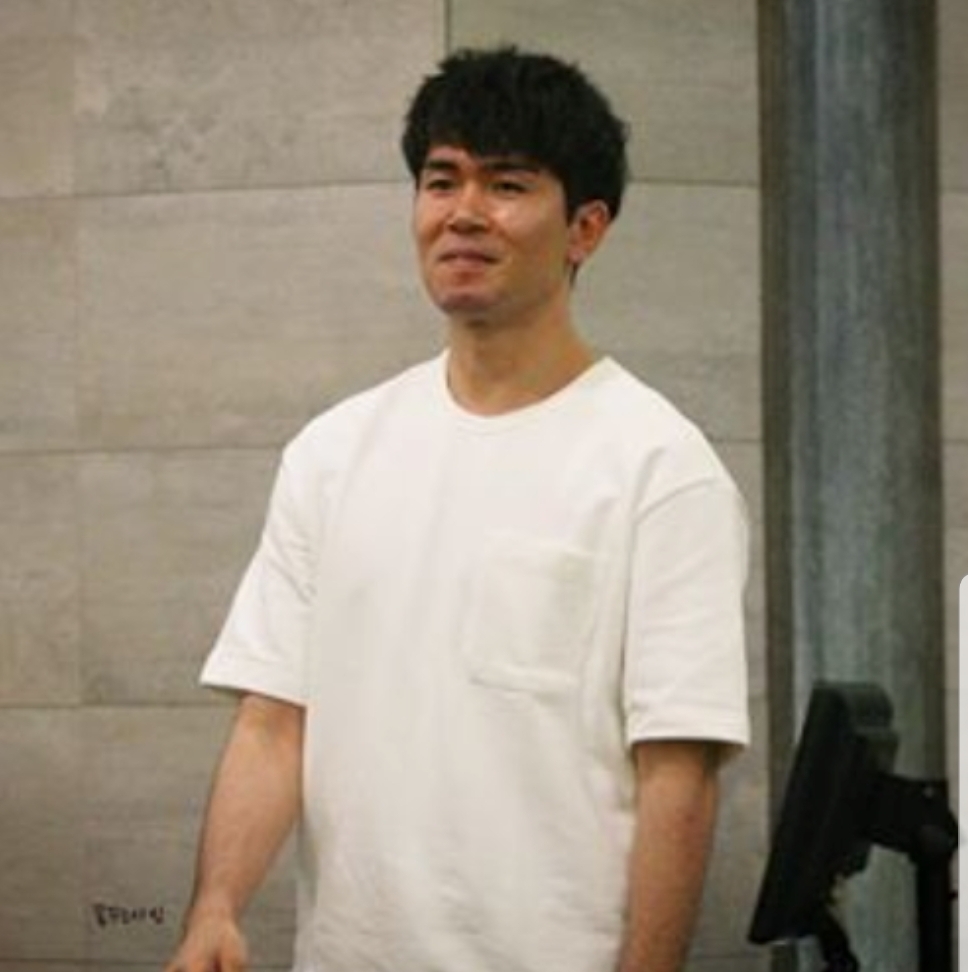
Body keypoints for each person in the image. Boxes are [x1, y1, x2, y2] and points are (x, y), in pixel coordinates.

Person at [164, 46, 749, 972]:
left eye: (507, 184)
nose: (463, 212)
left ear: (586, 228)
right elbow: (273, 722)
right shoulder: (333, 452)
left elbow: (678, 778)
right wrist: (216, 907)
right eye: (442, 181)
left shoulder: (660, 470)